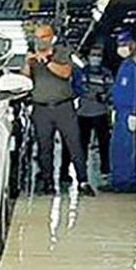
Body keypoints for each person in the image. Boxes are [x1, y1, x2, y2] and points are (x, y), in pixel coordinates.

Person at [24, 23, 94, 196]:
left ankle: (83, 181)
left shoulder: (62, 52)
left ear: (52, 37)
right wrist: (28, 63)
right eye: (37, 37)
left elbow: (65, 73)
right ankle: (47, 182)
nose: (40, 41)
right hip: (41, 108)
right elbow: (25, 80)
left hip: (63, 107)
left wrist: (47, 60)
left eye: (44, 37)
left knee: (74, 144)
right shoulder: (32, 56)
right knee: (44, 148)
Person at [74, 43, 114, 180]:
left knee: (104, 142)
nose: (96, 58)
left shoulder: (106, 73)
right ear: (88, 57)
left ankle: (105, 169)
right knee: (82, 143)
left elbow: (110, 90)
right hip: (83, 113)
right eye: (93, 55)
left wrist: (104, 96)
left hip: (100, 113)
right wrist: (96, 94)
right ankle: (81, 170)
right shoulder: (81, 72)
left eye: (98, 55)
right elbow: (79, 89)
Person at [108, 32, 136, 193]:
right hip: (120, 112)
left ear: (133, 44)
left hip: (129, 113)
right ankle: (118, 179)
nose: (122, 48)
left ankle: (129, 181)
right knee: (117, 148)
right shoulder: (125, 65)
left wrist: (135, 112)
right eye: (119, 45)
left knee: (129, 148)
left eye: (125, 44)